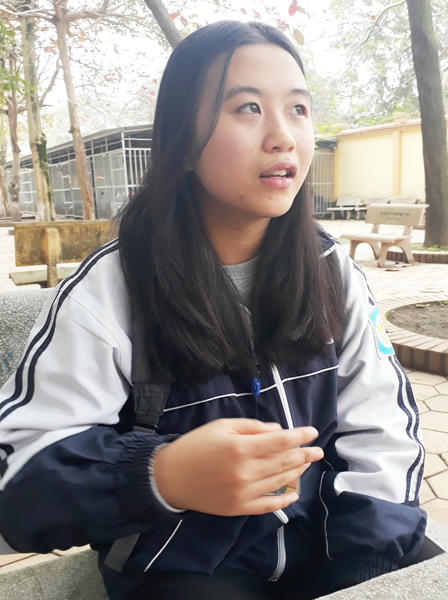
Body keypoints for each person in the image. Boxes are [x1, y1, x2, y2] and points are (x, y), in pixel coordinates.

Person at [0, 20, 425, 600]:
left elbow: (383, 425)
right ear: (182, 144)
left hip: (328, 542)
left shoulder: (331, 270)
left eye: (298, 109)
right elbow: (17, 477)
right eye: (248, 108)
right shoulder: (111, 290)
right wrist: (161, 475)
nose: (283, 137)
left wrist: (366, 563)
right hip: (184, 568)